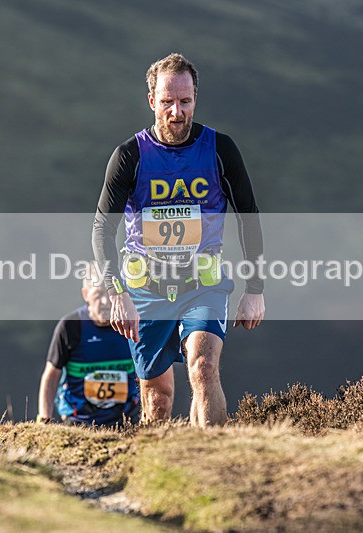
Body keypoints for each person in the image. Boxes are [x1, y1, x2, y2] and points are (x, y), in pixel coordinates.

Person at [92, 53, 265, 427]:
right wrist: (118, 294)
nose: (176, 112)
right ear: (152, 101)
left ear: (195, 100)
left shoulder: (220, 150)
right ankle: (162, 471)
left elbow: (248, 217)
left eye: (185, 102)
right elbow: (102, 229)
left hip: (203, 286)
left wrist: (255, 289)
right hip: (145, 290)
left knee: (203, 368)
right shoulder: (129, 156)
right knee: (157, 399)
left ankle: (213, 465)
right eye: (167, 102)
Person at [37, 274, 140, 426]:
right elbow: (51, 376)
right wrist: (44, 420)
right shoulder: (71, 325)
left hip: (127, 419)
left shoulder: (132, 323)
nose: (105, 302)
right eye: (98, 294)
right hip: (79, 421)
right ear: (85, 294)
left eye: (110, 294)